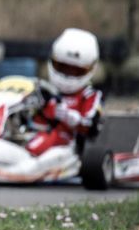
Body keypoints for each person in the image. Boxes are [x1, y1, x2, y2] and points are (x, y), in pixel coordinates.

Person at [27, 28, 103, 157]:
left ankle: (28, 156)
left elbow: (92, 128)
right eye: (62, 67)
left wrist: (71, 117)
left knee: (51, 137)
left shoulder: (89, 95)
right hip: (32, 133)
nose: (67, 75)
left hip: (67, 146)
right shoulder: (42, 90)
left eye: (75, 71)